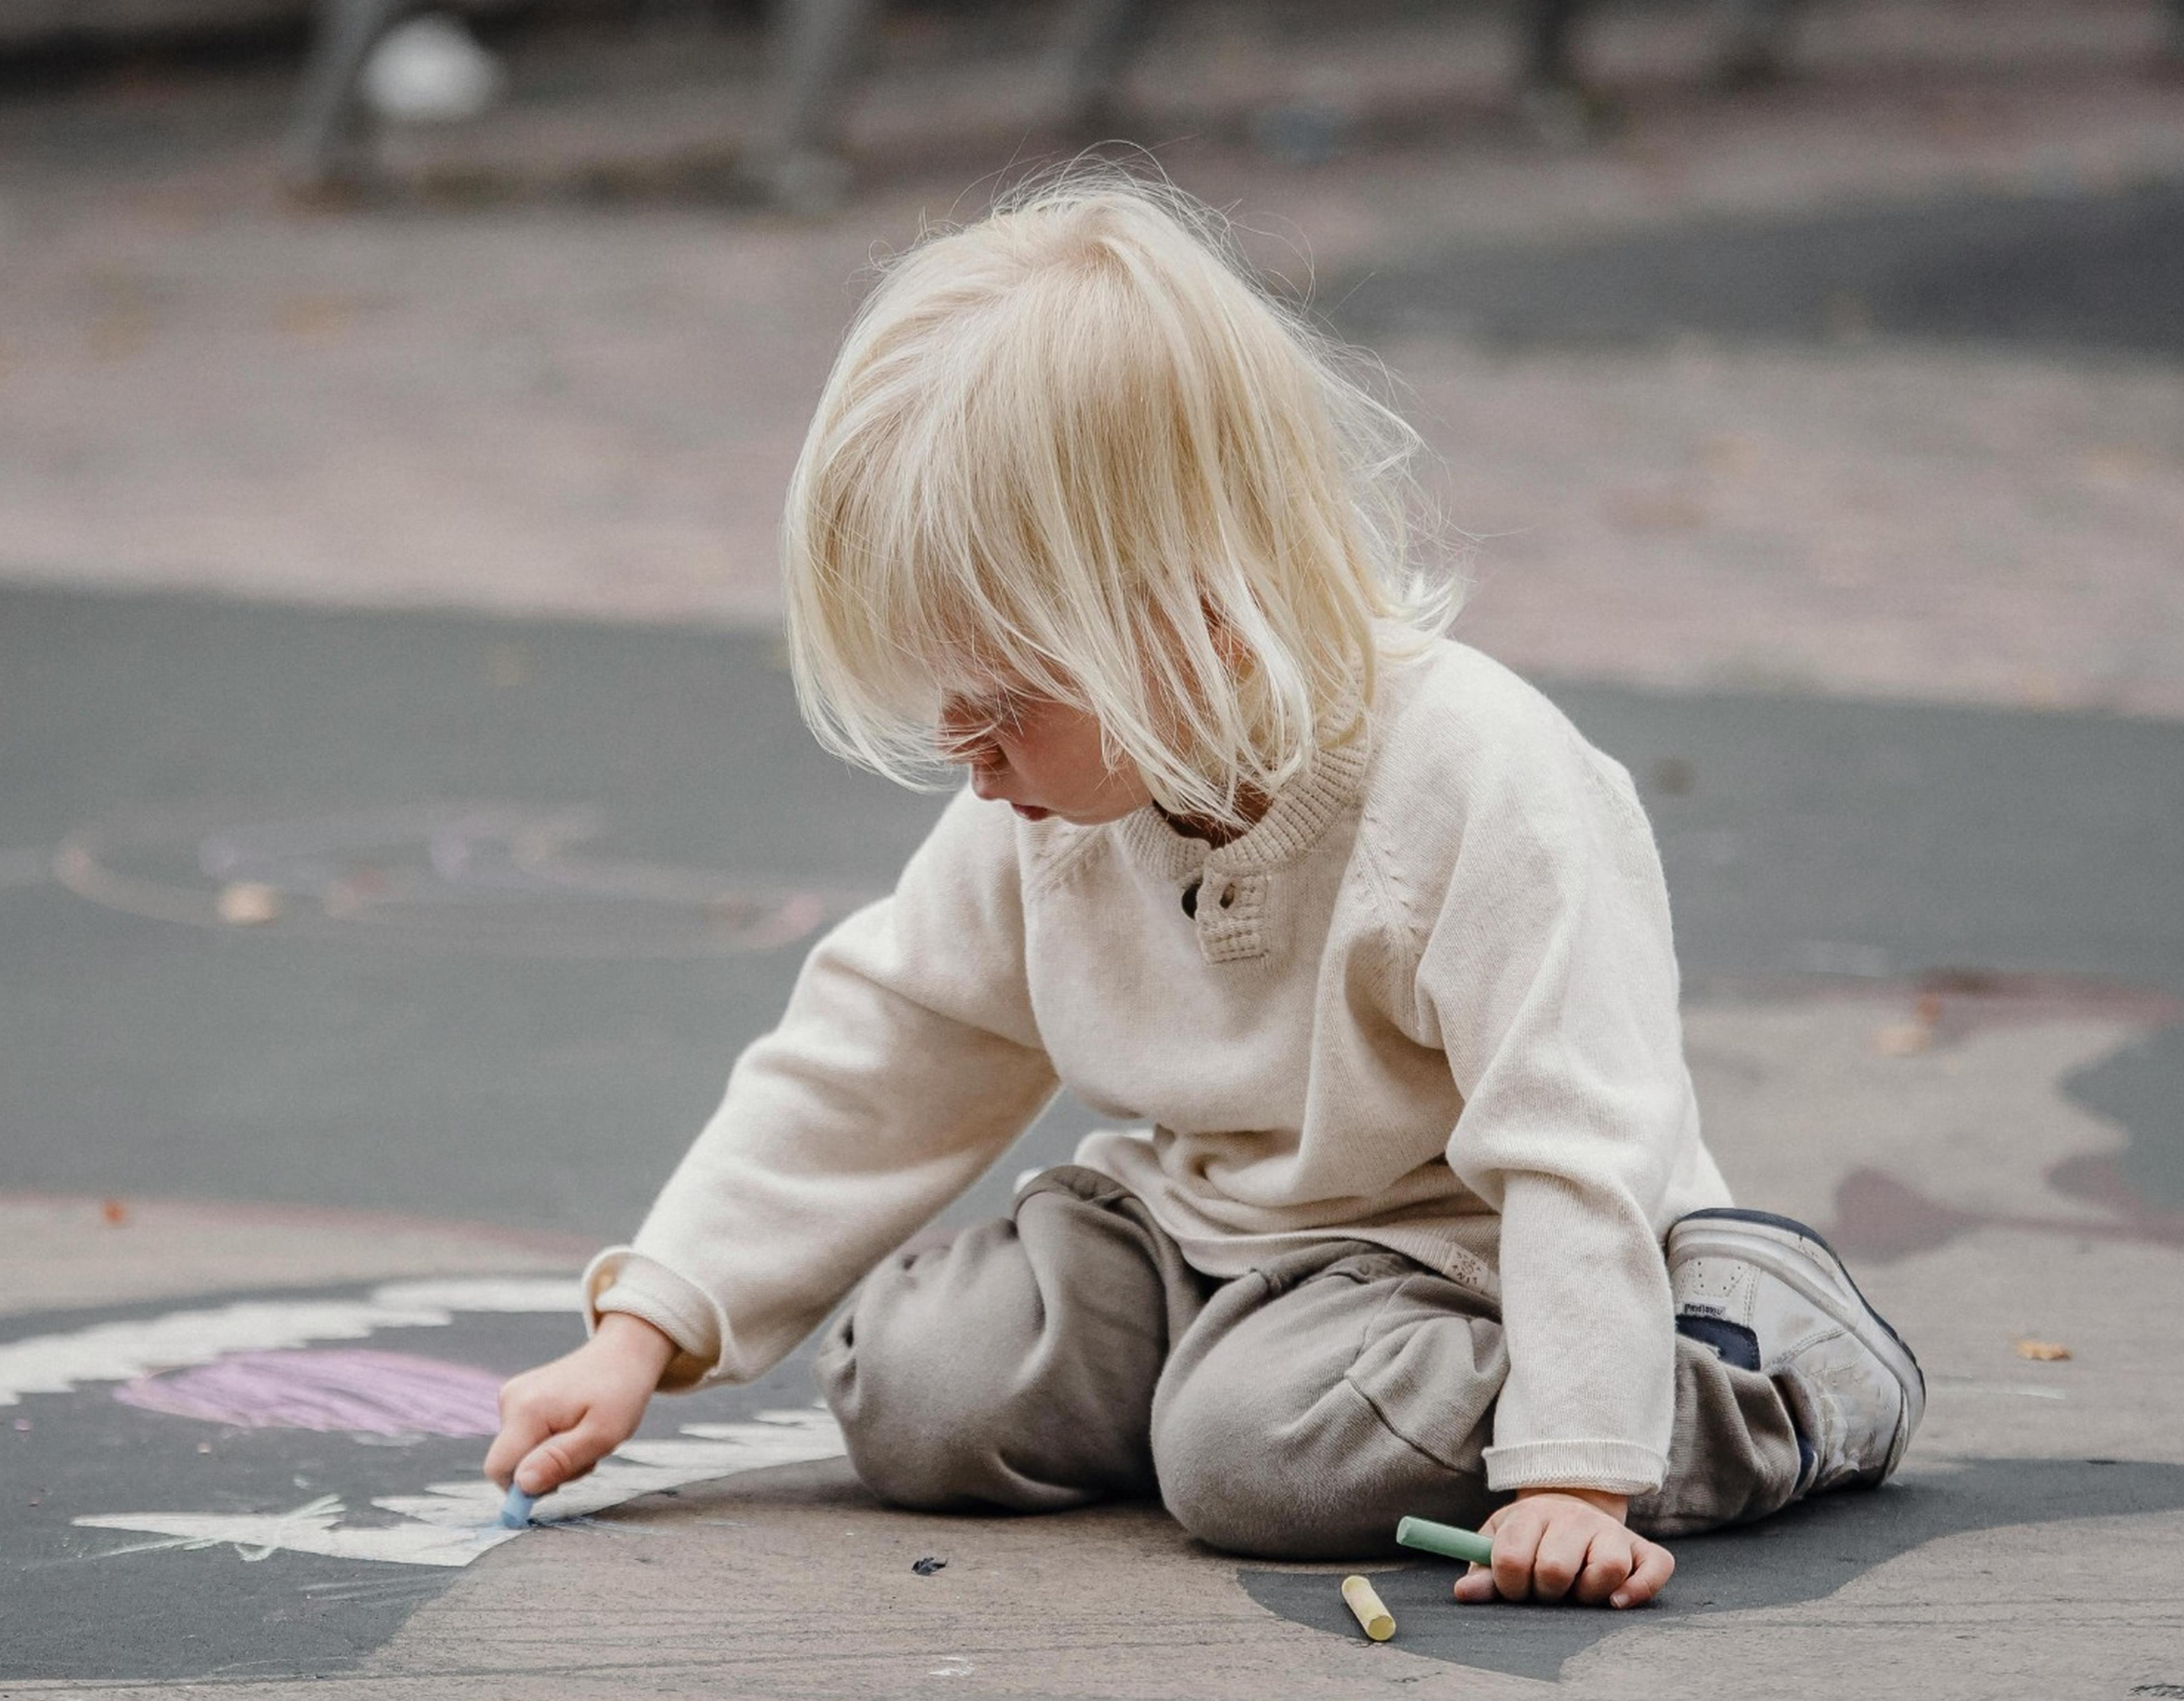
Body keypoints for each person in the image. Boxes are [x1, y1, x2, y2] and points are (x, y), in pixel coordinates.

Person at [483, 170, 1921, 1609]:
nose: (967, 763)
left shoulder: (1479, 781)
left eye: (999, 708)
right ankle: (1222, 1395)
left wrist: (1576, 1471)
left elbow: (1573, 1147)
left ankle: (1757, 1370)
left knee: (1265, 1456)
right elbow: (891, 1042)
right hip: (1202, 1235)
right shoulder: (1054, 800)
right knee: (918, 1388)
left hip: (1460, 1257)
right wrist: (646, 1325)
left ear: (1203, 617)